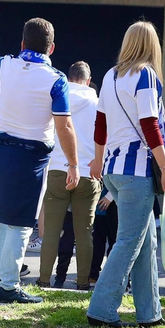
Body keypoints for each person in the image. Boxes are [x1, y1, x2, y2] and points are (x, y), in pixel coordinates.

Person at [0, 19, 79, 304]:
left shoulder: (7, 66)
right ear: (52, 48)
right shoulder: (56, 79)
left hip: (1, 152)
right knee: (21, 223)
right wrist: (73, 164)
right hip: (31, 157)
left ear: (22, 44)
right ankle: (8, 287)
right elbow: (64, 127)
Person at [86, 21, 165, 327]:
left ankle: (149, 314)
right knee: (129, 242)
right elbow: (150, 124)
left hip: (112, 168)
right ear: (152, 46)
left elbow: (100, 124)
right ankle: (101, 309)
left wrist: (97, 161)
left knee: (144, 242)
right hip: (137, 170)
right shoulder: (145, 74)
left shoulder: (111, 75)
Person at [37, 62, 100, 291]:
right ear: (88, 78)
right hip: (88, 172)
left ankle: (44, 279)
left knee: (52, 231)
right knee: (85, 233)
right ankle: (83, 282)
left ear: (70, 76)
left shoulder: (57, 97)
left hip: (57, 169)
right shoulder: (98, 103)